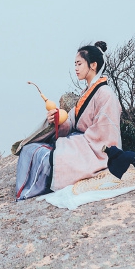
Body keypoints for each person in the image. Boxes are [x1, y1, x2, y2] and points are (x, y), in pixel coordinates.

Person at [15, 41, 122, 200]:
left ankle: (39, 186)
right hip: (81, 143)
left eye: (79, 64)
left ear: (93, 65)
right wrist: (58, 120)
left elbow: (104, 135)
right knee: (30, 149)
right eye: (75, 64)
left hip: (96, 151)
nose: (76, 68)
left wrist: (76, 141)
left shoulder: (105, 94)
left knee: (46, 158)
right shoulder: (86, 92)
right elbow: (71, 121)